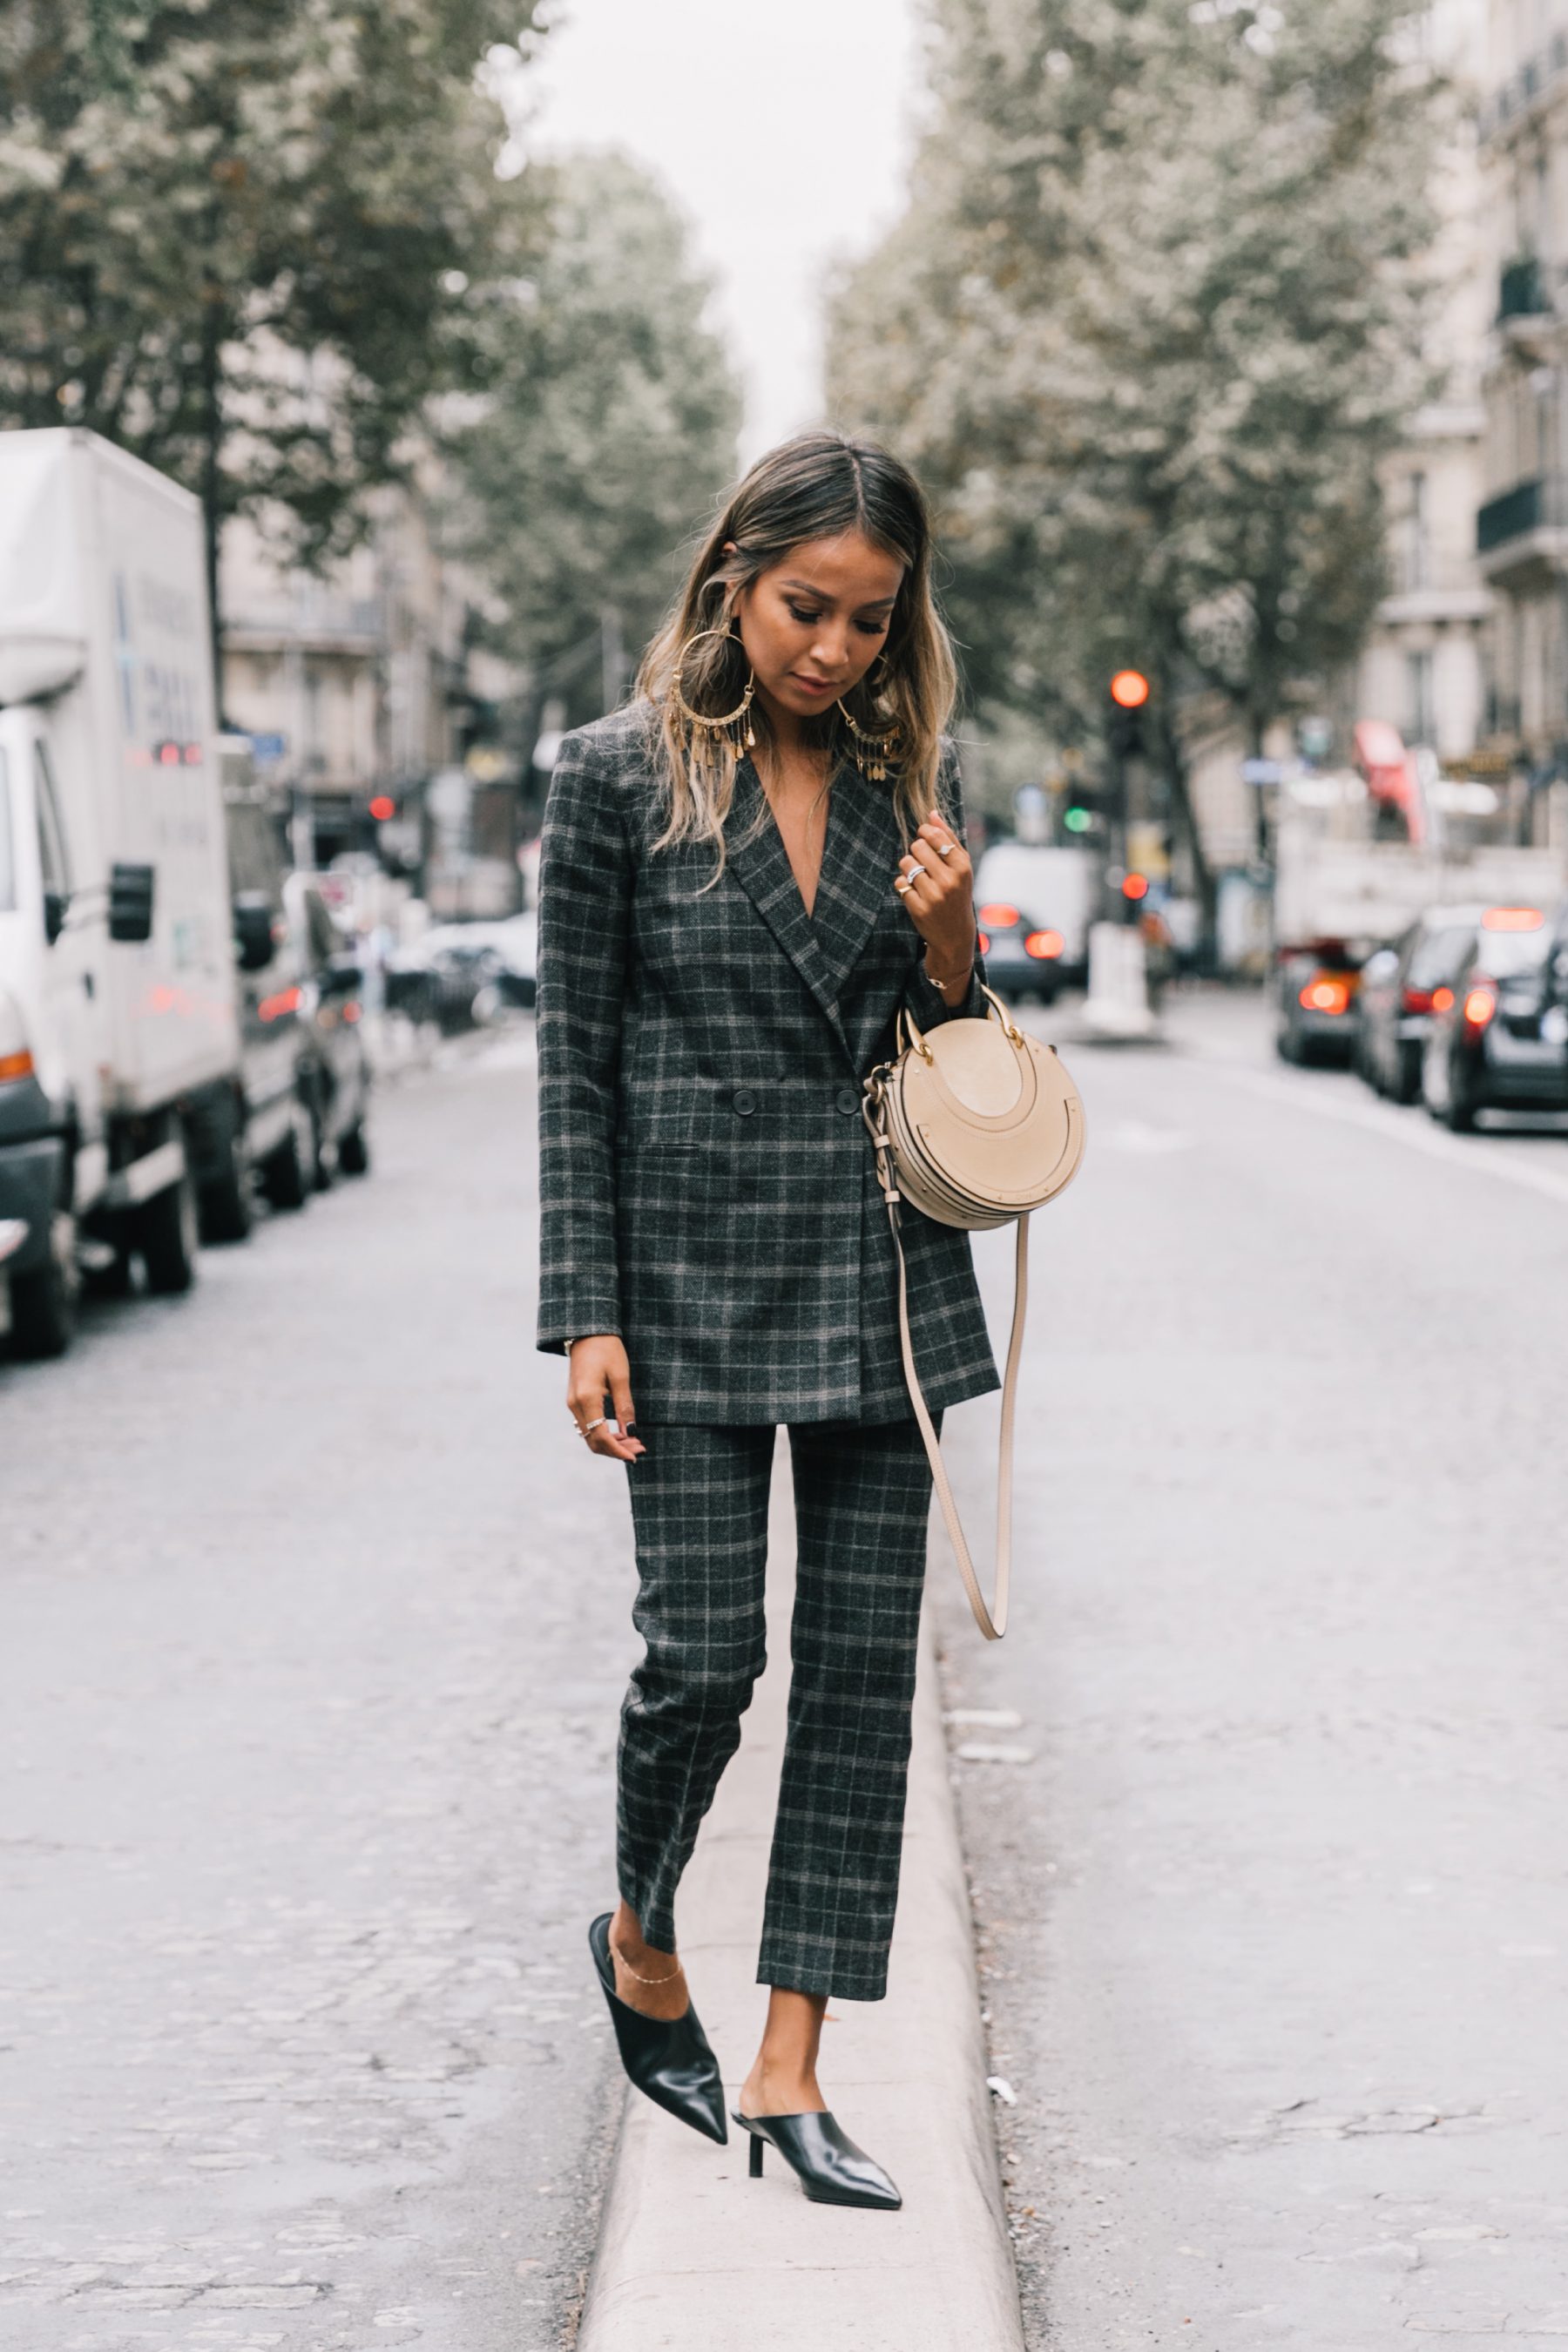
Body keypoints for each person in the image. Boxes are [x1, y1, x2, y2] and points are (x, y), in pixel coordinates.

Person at [535, 430, 997, 2211]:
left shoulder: (912, 781)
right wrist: (587, 1311)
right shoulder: (609, 783)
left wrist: (955, 949)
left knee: (865, 1685)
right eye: (810, 607)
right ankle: (646, 1938)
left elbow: (947, 1050)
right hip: (689, 1287)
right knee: (706, 1660)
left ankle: (796, 2064)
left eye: (872, 623)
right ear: (735, 576)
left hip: (882, 1283)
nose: (835, 650)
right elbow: (574, 1067)